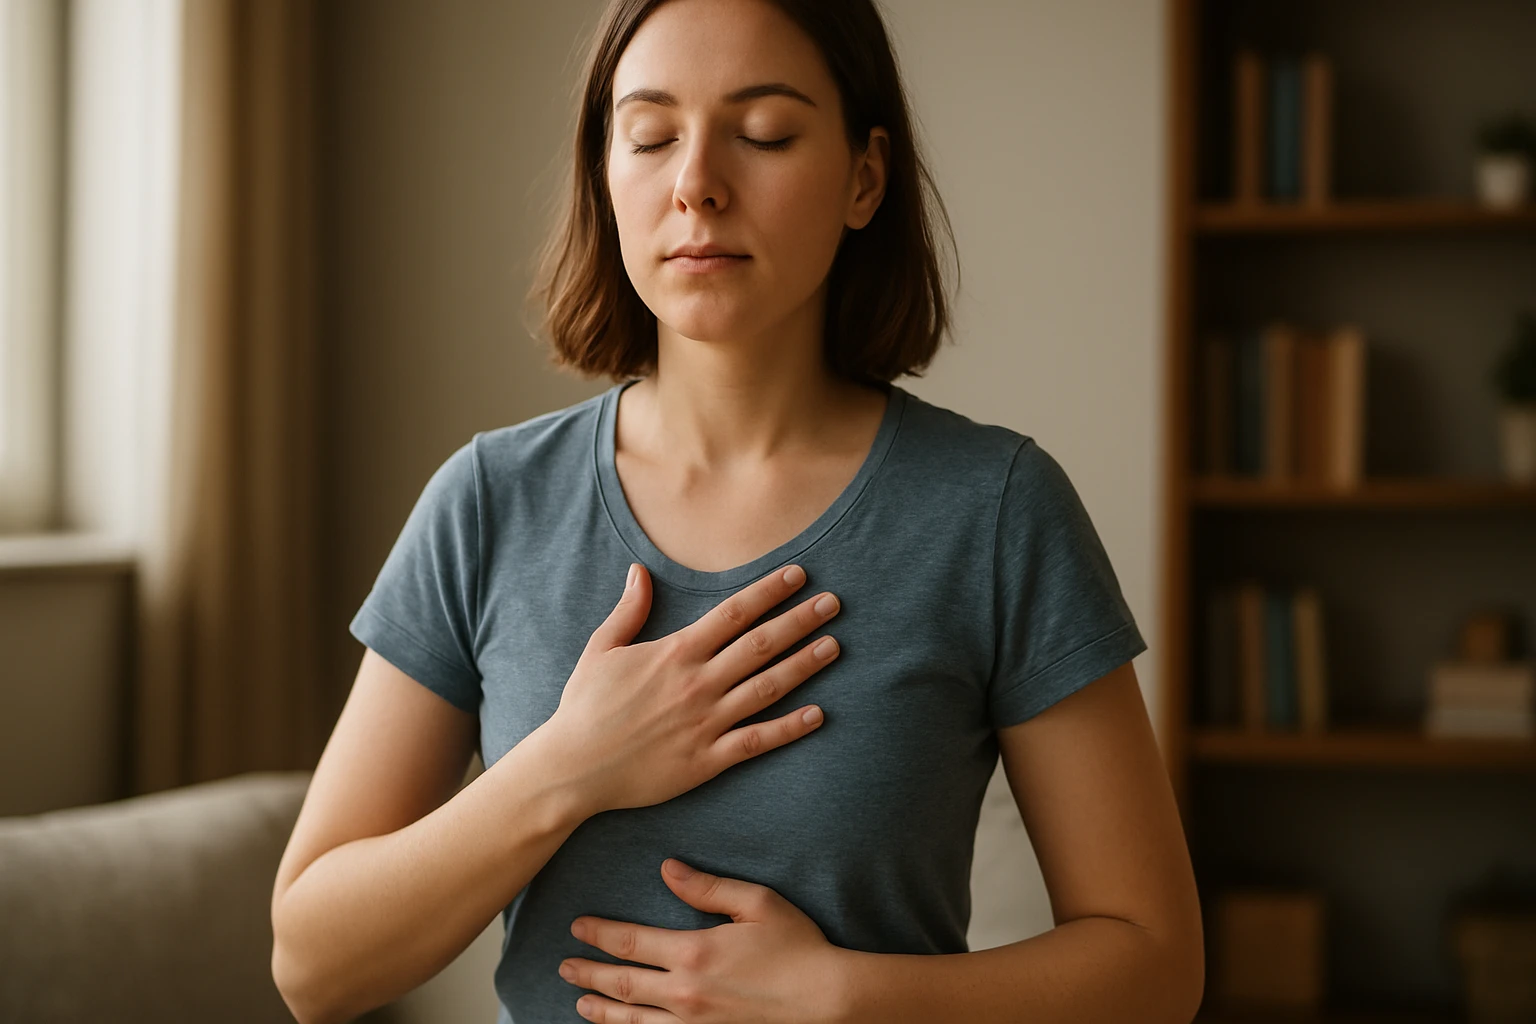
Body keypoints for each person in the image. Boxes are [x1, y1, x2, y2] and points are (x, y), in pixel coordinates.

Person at [271, 0, 1205, 1022]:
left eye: (764, 133)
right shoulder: (489, 503)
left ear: (864, 177)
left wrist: (849, 997)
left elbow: (1156, 967)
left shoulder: (996, 511)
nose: (697, 184)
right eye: (650, 135)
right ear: (605, 172)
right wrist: (566, 768)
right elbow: (313, 965)